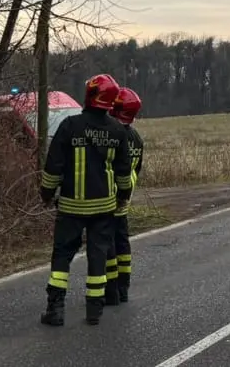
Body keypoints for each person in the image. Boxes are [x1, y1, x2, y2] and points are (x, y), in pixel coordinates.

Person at [39, 73, 133, 327]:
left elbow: (53, 167)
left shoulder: (70, 126)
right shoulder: (117, 130)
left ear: (90, 95)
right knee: (98, 255)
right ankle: (94, 310)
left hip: (70, 207)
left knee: (62, 256)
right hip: (104, 208)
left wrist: (46, 194)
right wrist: (123, 197)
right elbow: (124, 173)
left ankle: (55, 309)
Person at [104, 87, 145, 305]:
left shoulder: (112, 134)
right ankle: (124, 287)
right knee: (123, 243)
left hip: (107, 198)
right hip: (125, 199)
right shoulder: (136, 138)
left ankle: (111, 290)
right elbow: (136, 170)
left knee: (107, 244)